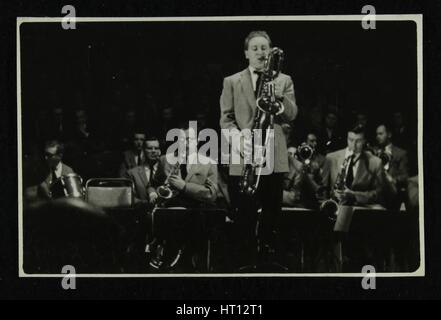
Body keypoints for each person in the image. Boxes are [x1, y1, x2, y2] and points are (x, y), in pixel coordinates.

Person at [219, 30, 298, 267]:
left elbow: (292, 115)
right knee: (244, 212)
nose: (260, 52)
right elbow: (225, 119)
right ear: (246, 53)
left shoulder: (284, 80)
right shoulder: (231, 81)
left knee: (272, 212)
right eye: (255, 48)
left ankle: (267, 262)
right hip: (243, 153)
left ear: (271, 51)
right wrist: (238, 139)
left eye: (264, 48)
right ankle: (246, 263)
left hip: (273, 153)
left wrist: (279, 99)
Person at [322, 125, 386, 206]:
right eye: (351, 140)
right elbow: (323, 189)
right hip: (334, 209)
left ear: (364, 141)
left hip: (360, 211)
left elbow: (379, 193)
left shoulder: (375, 162)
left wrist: (354, 195)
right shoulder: (331, 158)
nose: (354, 145)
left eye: (358, 141)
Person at [124, 137, 162, 204]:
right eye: (149, 148)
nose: (153, 151)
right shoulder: (132, 173)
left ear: (159, 151)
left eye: (156, 148)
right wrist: (147, 203)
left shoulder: (166, 170)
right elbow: (129, 198)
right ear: (143, 150)